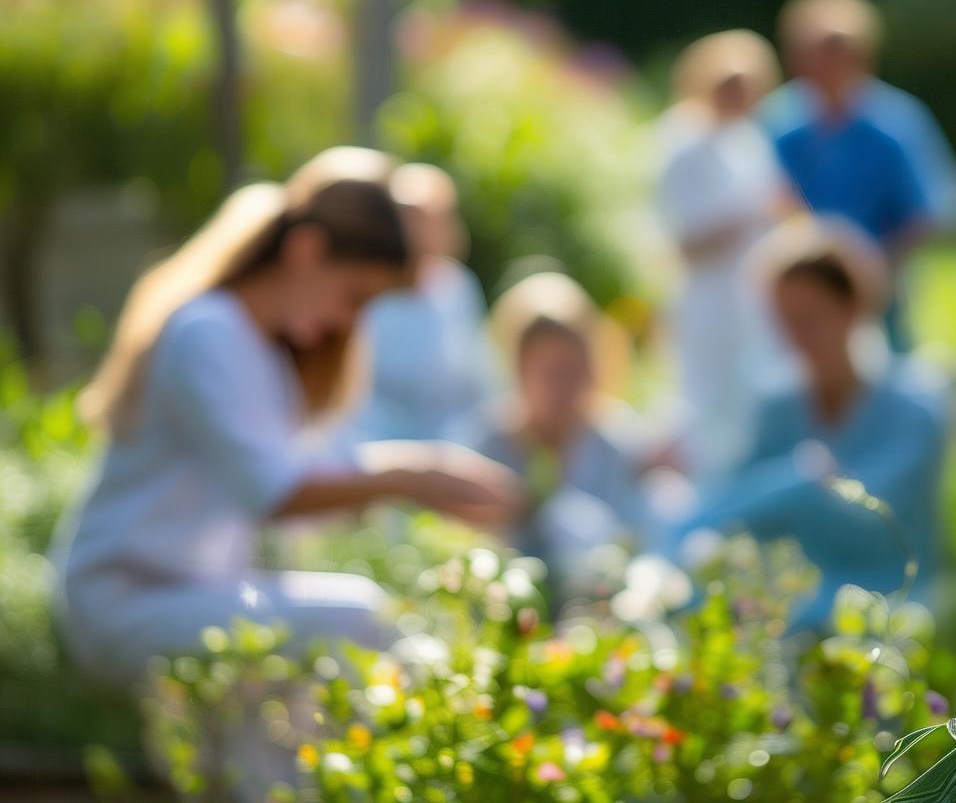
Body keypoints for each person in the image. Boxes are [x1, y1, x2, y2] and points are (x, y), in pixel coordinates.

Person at [52, 147, 523, 690]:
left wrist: (426, 474)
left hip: (196, 590)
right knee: (360, 618)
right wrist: (412, 478)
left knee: (303, 703)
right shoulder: (209, 332)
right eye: (354, 296)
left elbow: (309, 473)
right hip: (127, 599)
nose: (348, 321)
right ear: (306, 250)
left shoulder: (263, 349)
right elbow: (273, 492)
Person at [670, 223, 946, 629]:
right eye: (785, 323)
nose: (797, 338)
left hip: (897, 602)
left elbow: (870, 517)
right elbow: (731, 498)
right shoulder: (779, 407)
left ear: (853, 307)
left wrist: (802, 484)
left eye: (810, 318)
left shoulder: (916, 407)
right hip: (803, 601)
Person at [655, 29, 795, 479]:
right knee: (705, 401)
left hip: (750, 296)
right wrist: (746, 217)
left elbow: (780, 205)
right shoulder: (681, 143)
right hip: (707, 300)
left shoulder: (748, 141)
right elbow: (680, 240)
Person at [457, 272, 650, 596]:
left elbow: (632, 534)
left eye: (576, 369)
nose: (566, 387)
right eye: (553, 373)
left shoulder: (615, 439)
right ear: (519, 369)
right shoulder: (488, 443)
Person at [760, 0, 956, 233]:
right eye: (820, 51)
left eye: (840, 49)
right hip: (793, 265)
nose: (831, 63)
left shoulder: (900, 120)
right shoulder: (773, 119)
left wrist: (874, 258)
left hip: (883, 265)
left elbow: (940, 205)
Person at [348, 162, 496, 442]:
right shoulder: (372, 290)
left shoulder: (459, 287)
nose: (423, 231)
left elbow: (480, 377)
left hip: (454, 446)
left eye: (434, 218)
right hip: (379, 446)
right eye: (413, 217)